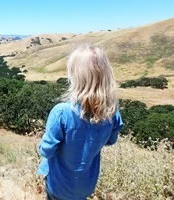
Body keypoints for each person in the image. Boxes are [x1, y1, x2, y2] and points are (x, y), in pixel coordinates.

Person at [37, 44, 123, 200]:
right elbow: (111, 141)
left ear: (75, 76)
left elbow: (46, 151)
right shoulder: (112, 112)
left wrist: (40, 144)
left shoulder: (61, 112)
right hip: (85, 186)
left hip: (59, 186)